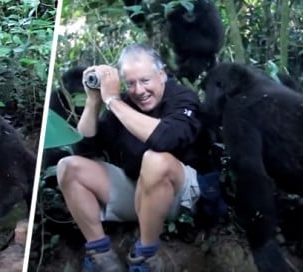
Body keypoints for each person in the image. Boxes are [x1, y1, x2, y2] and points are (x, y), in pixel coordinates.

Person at [57, 44, 208, 272]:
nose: (138, 90)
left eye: (145, 81)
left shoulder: (182, 98)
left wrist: (113, 101)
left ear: (162, 74)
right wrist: (94, 101)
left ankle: (145, 256)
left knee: (155, 160)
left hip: (180, 197)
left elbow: (164, 140)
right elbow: (84, 149)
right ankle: (102, 256)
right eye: (131, 83)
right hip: (138, 192)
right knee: (68, 166)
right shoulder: (123, 104)